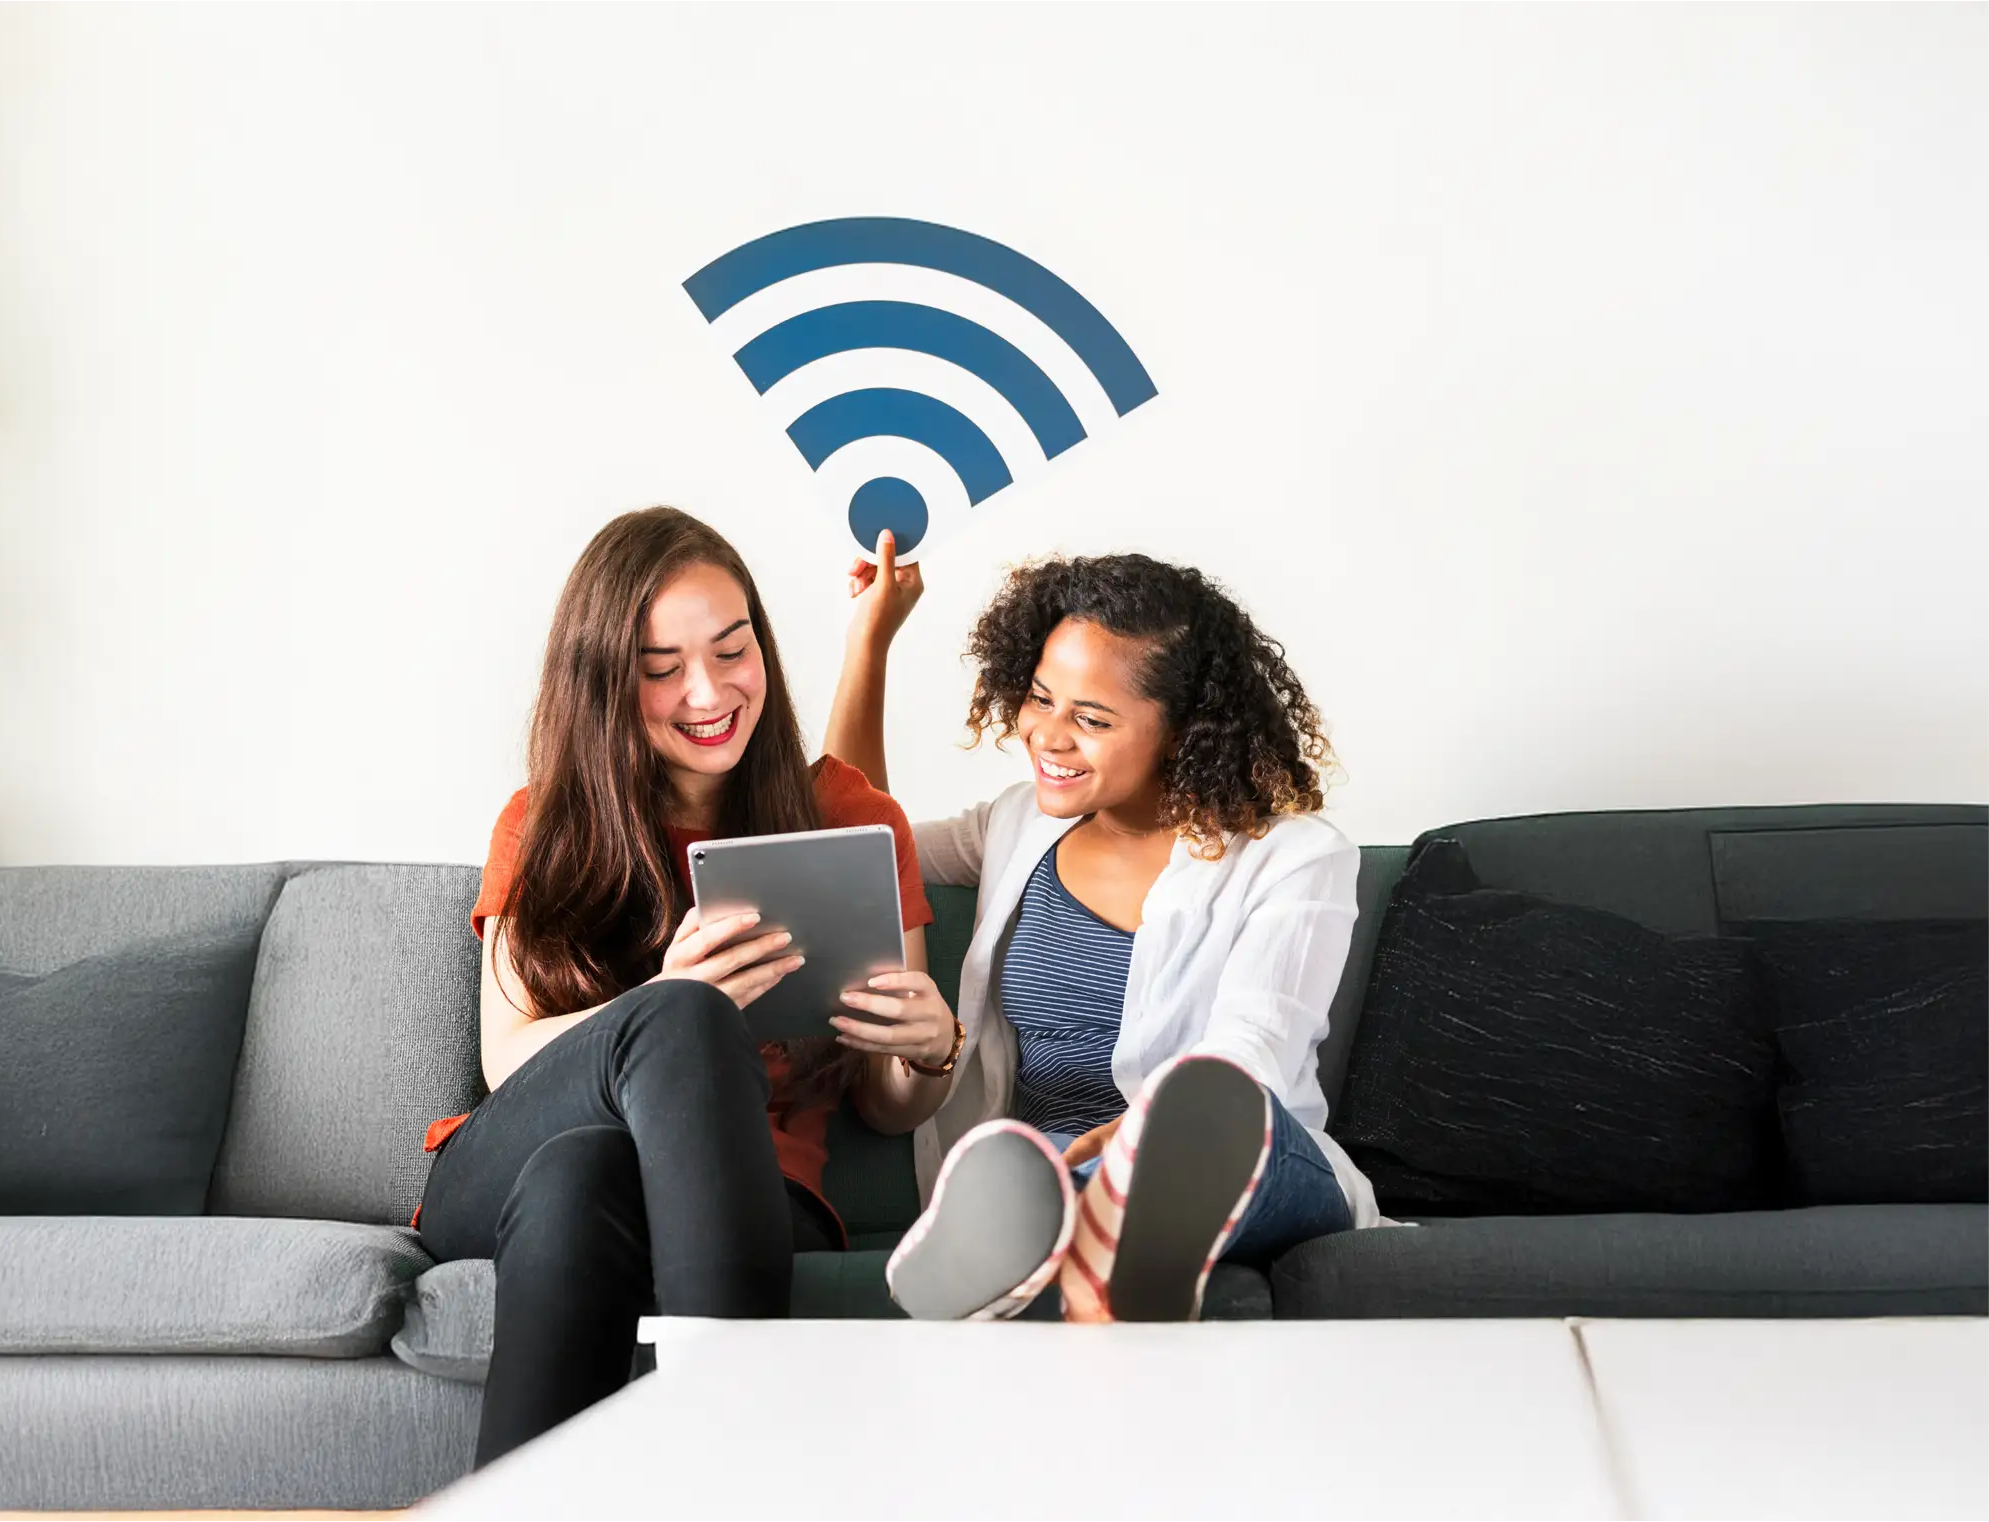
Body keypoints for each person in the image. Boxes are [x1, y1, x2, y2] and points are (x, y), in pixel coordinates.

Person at [417, 508, 959, 1460]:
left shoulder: (847, 817)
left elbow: (888, 1106)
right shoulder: (542, 821)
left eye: (732, 649)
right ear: (603, 682)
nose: (707, 691)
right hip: (495, 1169)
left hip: (747, 1189)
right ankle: (737, 1459)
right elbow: (509, 1062)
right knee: (674, 1018)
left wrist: (929, 1050)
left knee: (578, 1180)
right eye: (660, 668)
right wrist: (666, 1003)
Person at [825, 532, 1379, 1323]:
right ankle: (1081, 1236)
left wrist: (1147, 1138)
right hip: (1058, 1168)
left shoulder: (1296, 858)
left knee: (1221, 1117)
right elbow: (860, 845)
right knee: (1052, 1180)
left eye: (1091, 718)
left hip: (1251, 1171)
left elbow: (1252, 1049)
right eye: (1041, 698)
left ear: (1184, 730)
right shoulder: (1016, 827)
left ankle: (1068, 1227)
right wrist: (869, 641)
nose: (1048, 736)